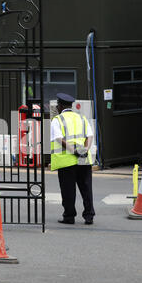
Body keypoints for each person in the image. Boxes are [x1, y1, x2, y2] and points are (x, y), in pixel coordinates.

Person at [51, 93, 95, 225]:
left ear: (59, 106)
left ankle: (69, 216)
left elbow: (59, 139)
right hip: (83, 159)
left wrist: (74, 151)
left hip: (66, 160)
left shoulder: (57, 120)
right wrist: (85, 150)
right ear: (71, 106)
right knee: (86, 188)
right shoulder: (82, 118)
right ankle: (89, 216)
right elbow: (90, 136)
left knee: (68, 190)